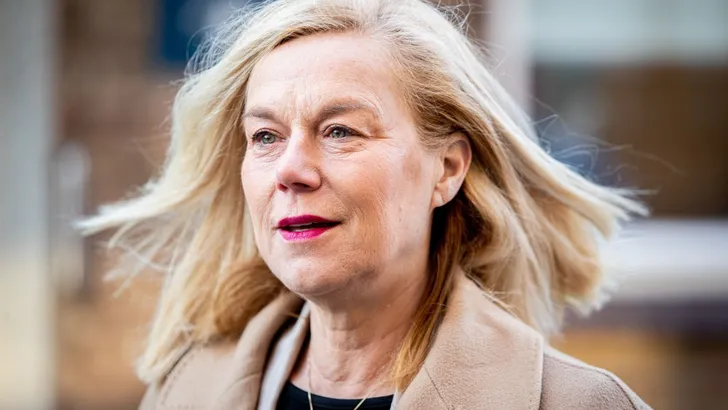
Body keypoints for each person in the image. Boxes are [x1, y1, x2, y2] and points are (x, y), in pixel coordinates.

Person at [80, 0, 651, 408]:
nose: (290, 171)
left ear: (448, 169)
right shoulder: (185, 389)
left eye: (340, 131)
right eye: (266, 136)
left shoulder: (579, 402)